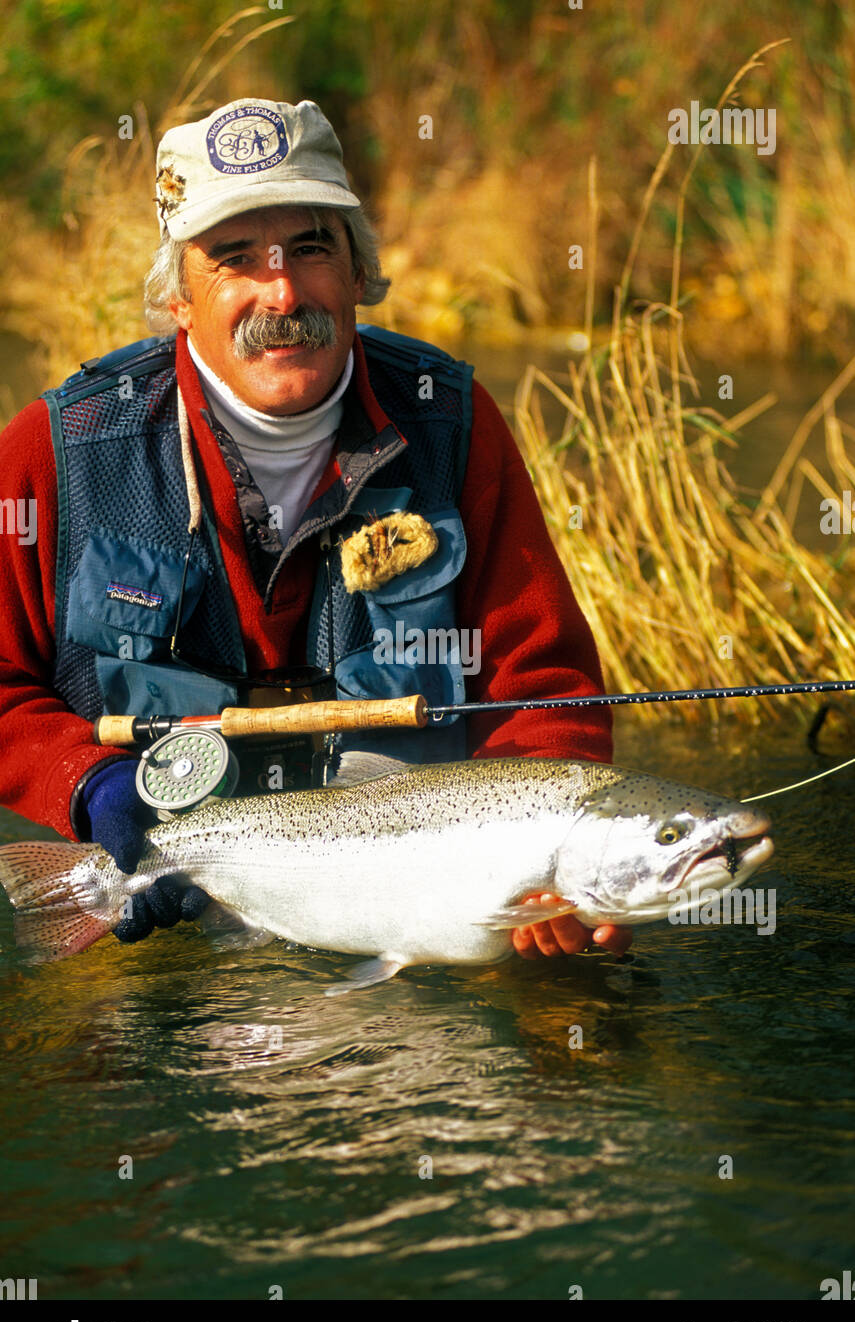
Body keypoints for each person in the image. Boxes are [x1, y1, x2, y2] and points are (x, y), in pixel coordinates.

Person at [0, 97, 631, 960]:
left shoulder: (453, 426)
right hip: (158, 914)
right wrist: (89, 783)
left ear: (359, 271)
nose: (283, 292)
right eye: (234, 260)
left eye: (310, 248)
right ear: (178, 298)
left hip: (415, 905)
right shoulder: (57, 453)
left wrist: (558, 870)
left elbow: (543, 688)